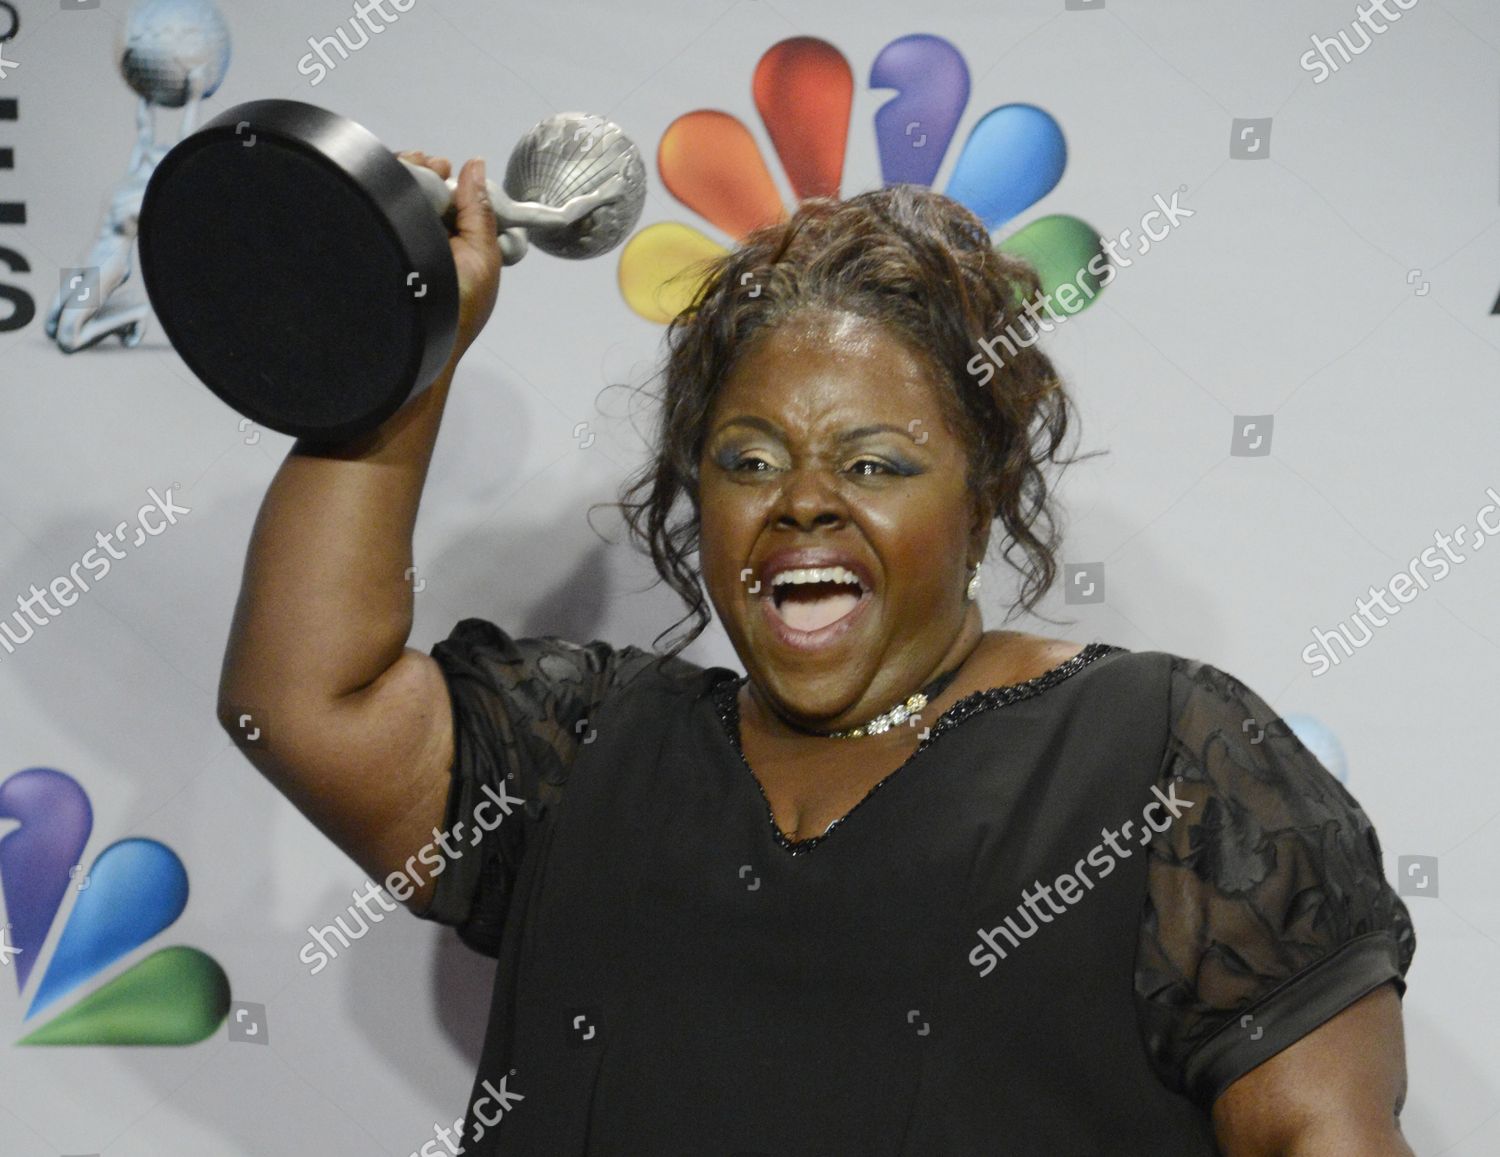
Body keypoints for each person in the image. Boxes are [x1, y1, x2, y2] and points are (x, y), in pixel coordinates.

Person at [218, 152, 1417, 1155]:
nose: (803, 500)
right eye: (747, 459)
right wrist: (408, 333)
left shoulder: (1164, 758)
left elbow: (1325, 1136)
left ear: (986, 489)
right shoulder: (584, 752)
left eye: (877, 462)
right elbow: (305, 700)